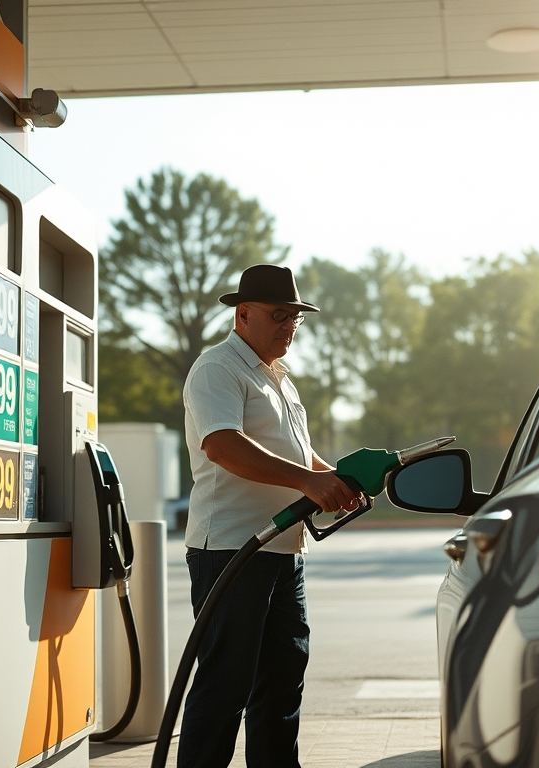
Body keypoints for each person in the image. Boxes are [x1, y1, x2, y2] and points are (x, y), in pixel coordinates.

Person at [178, 263, 360, 768]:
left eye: (295, 318)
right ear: (243, 314)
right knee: (226, 685)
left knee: (282, 680)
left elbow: (302, 457)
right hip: (233, 550)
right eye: (278, 316)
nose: (288, 327)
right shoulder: (218, 368)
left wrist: (339, 478)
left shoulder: (279, 379)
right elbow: (221, 445)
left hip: (282, 550)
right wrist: (308, 482)